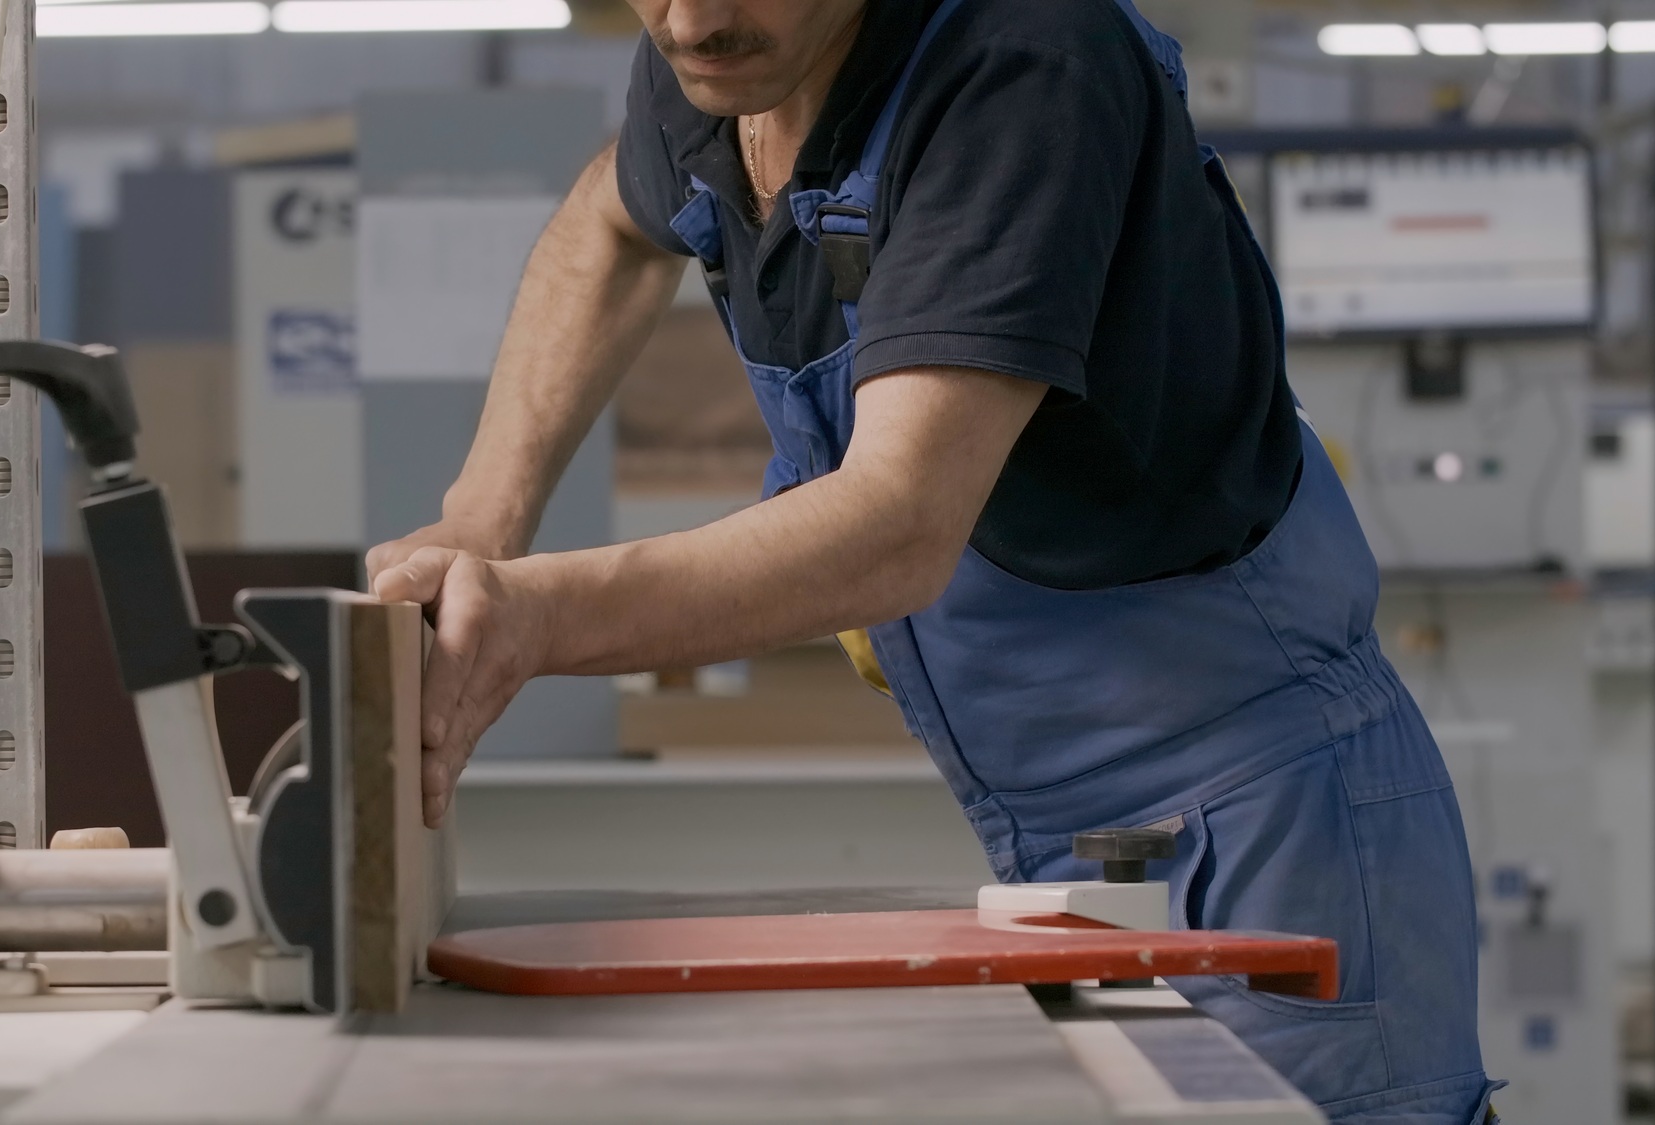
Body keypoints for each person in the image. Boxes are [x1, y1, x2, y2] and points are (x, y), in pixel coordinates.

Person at [366, 0, 1499, 1119]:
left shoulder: (1023, 64)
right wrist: (478, 519)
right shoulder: (723, 57)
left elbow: (897, 525)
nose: (690, 16)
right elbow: (607, 222)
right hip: (1068, 851)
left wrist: (530, 616)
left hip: (1258, 825)